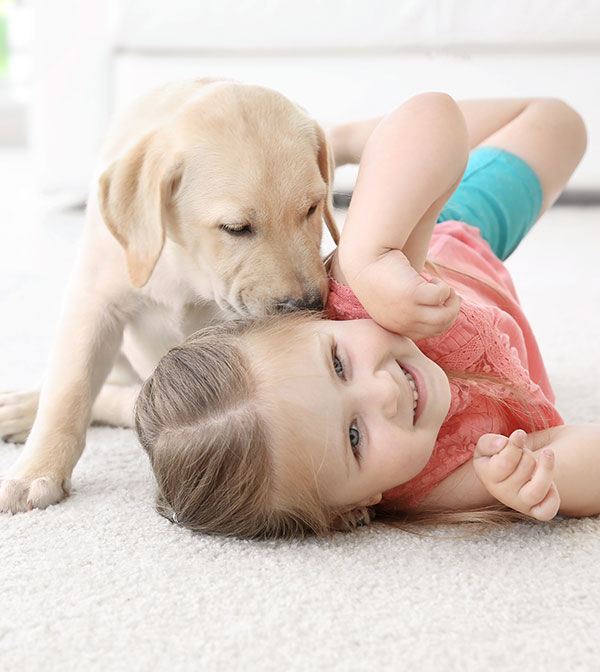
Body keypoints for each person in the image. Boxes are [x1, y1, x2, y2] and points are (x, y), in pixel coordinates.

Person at [134, 92, 600, 540]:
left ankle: (348, 141)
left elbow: (432, 116)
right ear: (353, 507)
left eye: (338, 364)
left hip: (452, 245)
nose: (383, 389)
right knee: (561, 122)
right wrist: (535, 477)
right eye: (355, 436)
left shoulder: (362, 300)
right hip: (494, 292)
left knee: (558, 123)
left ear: (316, 322)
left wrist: (368, 258)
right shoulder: (440, 482)